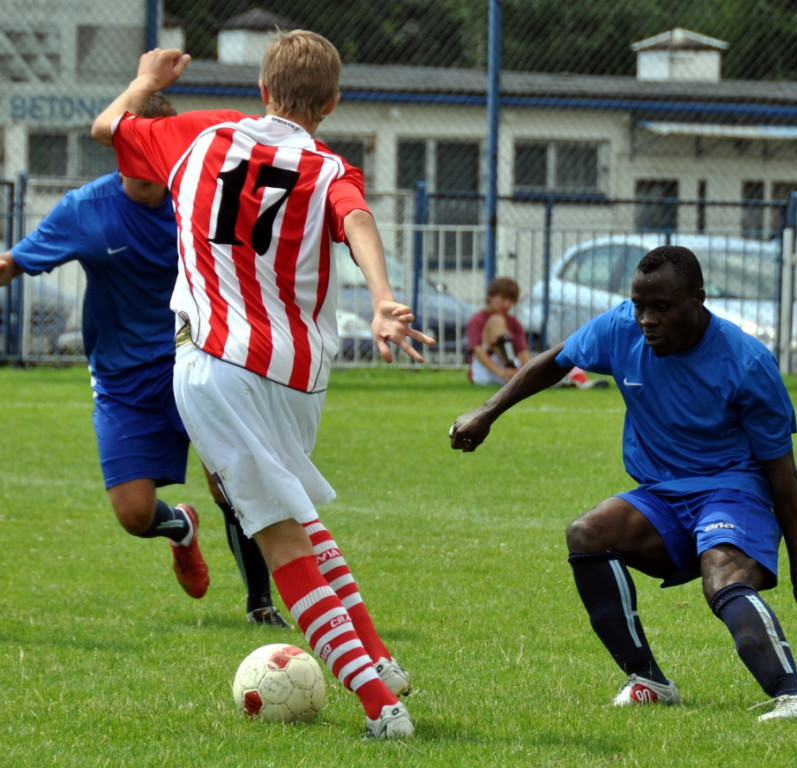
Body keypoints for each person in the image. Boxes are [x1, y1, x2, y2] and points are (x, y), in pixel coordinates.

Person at [91, 32, 431, 740]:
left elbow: (107, 127)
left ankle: (381, 710)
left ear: (261, 91)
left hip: (214, 366)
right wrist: (382, 297)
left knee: (278, 539)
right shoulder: (327, 164)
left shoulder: (200, 135)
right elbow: (357, 219)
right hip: (298, 376)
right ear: (333, 103)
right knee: (296, 513)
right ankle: (380, 660)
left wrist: (143, 78)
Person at [449, 245, 797, 721]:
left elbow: (783, 473)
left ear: (698, 300)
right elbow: (556, 360)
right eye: (639, 305)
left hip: (733, 493)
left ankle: (794, 698)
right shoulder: (621, 329)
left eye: (662, 308)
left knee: (722, 577)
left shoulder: (747, 363)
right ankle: (647, 679)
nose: (647, 319)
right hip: (663, 496)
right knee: (587, 533)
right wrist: (487, 412)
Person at [0, 94, 290, 628]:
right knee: (134, 515)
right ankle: (180, 529)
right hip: (121, 376)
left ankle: (260, 603)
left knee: (230, 483)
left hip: (196, 359)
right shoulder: (86, 209)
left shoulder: (197, 200)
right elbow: (11, 264)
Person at [466, 276, 607, 389]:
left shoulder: (514, 322)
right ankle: (546, 381)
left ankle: (580, 382)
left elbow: (523, 353)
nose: (507, 305)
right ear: (491, 297)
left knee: (559, 357)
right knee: (496, 320)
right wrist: (501, 372)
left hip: (512, 370)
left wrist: (530, 372)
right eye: (504, 299)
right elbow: (478, 351)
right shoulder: (478, 319)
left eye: (511, 301)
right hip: (488, 371)